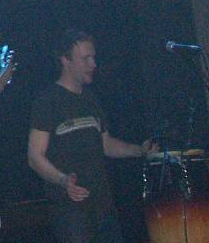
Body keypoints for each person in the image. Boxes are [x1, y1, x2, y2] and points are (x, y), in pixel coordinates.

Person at [27, 30, 154, 243]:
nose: (93, 64)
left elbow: (106, 144)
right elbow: (34, 157)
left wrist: (139, 150)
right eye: (86, 59)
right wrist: (63, 180)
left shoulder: (91, 99)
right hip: (72, 213)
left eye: (93, 57)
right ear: (65, 60)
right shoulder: (47, 101)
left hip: (104, 209)